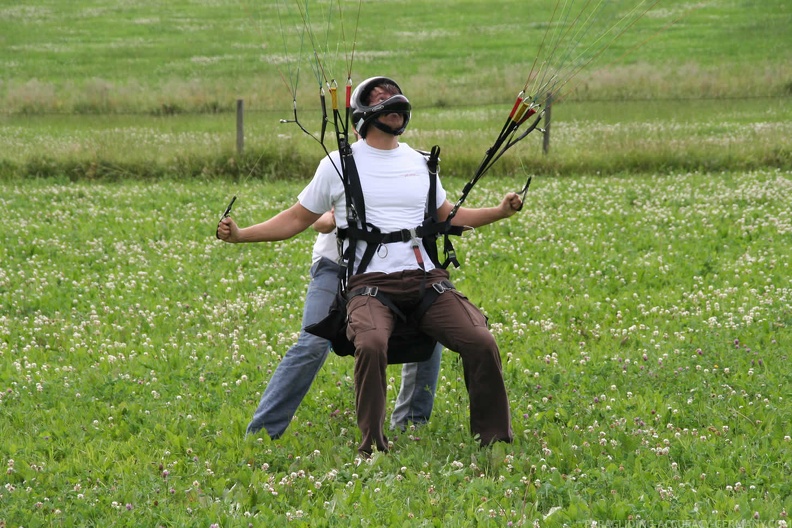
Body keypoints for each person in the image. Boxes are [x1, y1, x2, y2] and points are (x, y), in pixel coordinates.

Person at [218, 75, 520, 455]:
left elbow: (448, 217)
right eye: (378, 96)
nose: (389, 98)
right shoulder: (338, 165)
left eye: (393, 94)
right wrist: (241, 234)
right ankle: (366, 445)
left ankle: (487, 440)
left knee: (478, 338)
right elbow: (298, 218)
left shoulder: (422, 162)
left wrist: (500, 212)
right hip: (366, 279)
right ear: (363, 111)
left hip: (425, 278)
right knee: (360, 342)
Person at [245, 210, 444, 439]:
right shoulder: (337, 172)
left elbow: (438, 209)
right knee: (313, 343)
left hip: (393, 269)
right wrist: (329, 220)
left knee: (428, 327)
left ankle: (410, 426)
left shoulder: (417, 173)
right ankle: (261, 434)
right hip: (335, 265)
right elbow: (312, 215)